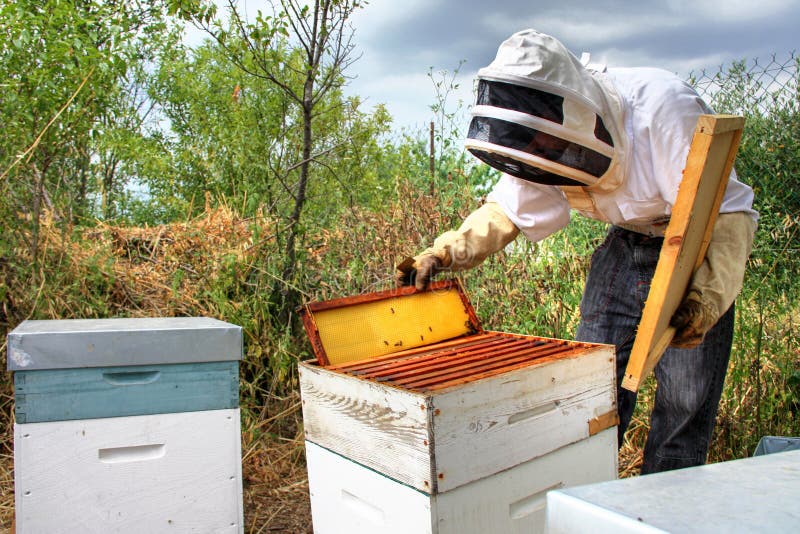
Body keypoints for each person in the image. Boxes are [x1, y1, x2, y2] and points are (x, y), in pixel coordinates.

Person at [396, 29, 757, 474]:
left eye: (541, 142)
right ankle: (591, 501)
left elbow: (729, 214)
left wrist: (708, 297)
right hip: (624, 249)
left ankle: (668, 508)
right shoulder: (537, 137)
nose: (537, 152)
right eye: (529, 144)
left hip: (696, 251)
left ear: (572, 110)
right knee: (590, 387)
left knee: (685, 404)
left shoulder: (663, 111)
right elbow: (507, 211)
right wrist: (444, 253)